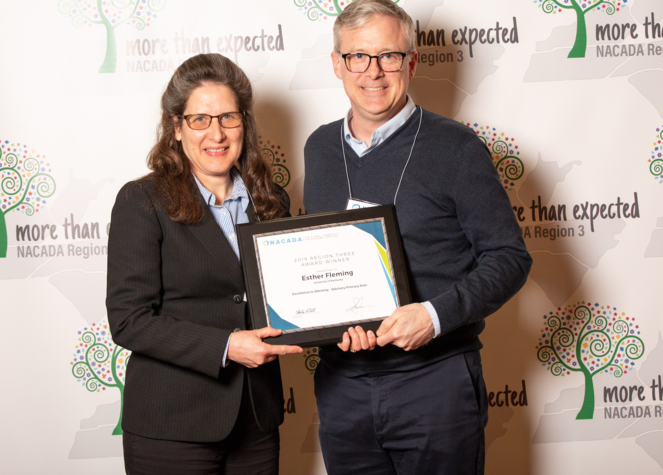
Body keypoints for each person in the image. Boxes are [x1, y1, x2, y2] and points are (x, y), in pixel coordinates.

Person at [302, 1, 533, 474]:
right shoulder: (319, 147)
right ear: (336, 64)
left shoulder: (457, 148)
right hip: (343, 387)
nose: (373, 71)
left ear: (411, 61)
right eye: (357, 57)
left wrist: (433, 315)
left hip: (436, 383)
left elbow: (509, 257)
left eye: (388, 55)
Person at [106, 53, 302, 475]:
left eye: (228, 118)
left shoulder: (271, 201)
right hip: (173, 424)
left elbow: (293, 298)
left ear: (244, 124)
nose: (216, 133)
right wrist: (228, 346)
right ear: (176, 128)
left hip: (257, 419)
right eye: (200, 119)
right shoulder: (142, 202)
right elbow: (129, 320)